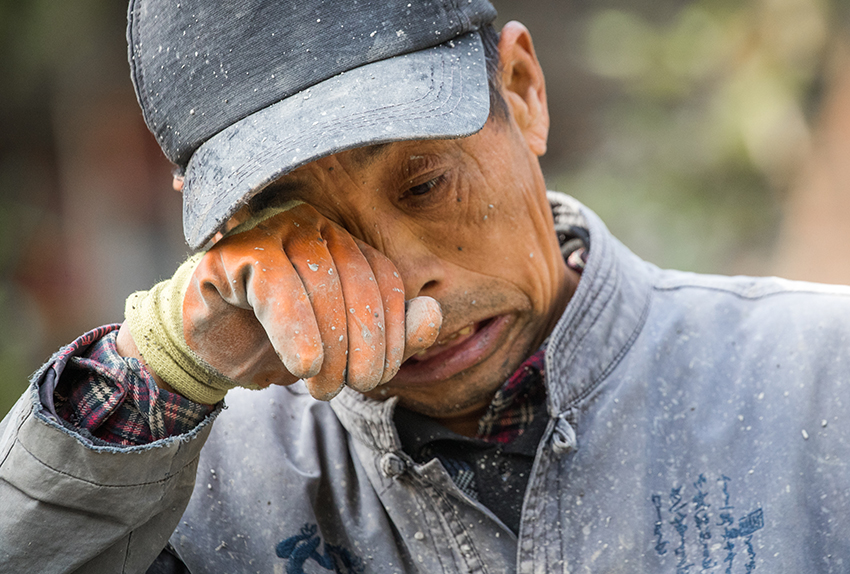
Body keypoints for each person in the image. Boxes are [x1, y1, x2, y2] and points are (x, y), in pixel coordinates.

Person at [2, 0, 850, 572]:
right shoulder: (182, 489)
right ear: (220, 231)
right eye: (302, 228)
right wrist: (159, 368)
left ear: (522, 92)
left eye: (424, 184)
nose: (406, 290)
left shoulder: (823, 379)